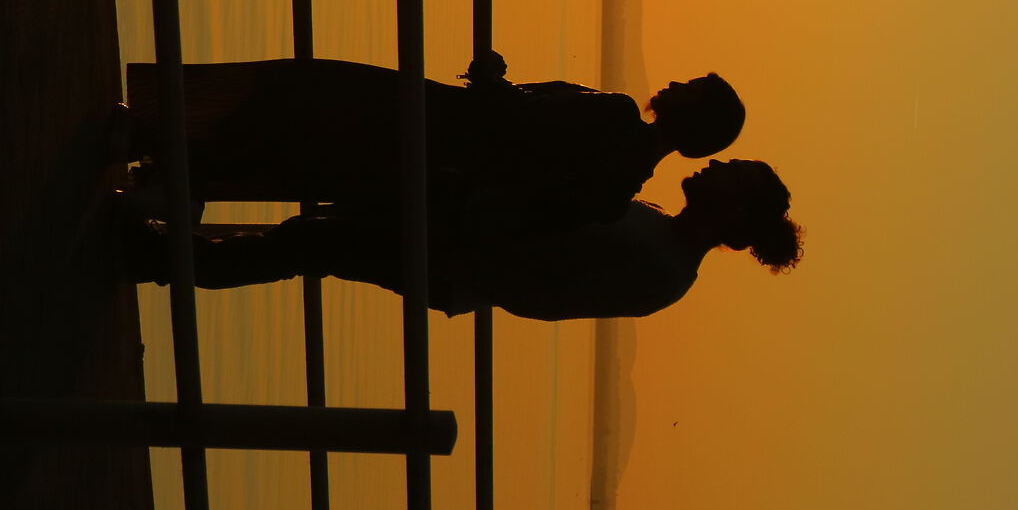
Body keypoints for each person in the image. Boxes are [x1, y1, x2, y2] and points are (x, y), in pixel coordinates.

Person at [118, 158, 801, 322]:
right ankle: (164, 246)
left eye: (727, 172)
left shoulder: (661, 266)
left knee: (311, 243)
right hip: (456, 252)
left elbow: (548, 290)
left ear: (735, 214)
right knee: (312, 238)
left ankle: (156, 253)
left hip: (454, 264)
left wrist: (471, 253)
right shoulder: (658, 233)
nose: (713, 166)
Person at [121, 54, 745, 233]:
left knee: (297, 91)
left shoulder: (614, 118)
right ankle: (168, 171)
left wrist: (493, 79)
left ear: (690, 113)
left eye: (691, 86)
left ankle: (151, 124)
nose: (676, 82)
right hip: (431, 181)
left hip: (432, 122)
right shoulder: (617, 191)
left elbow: (519, 125)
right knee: (299, 157)